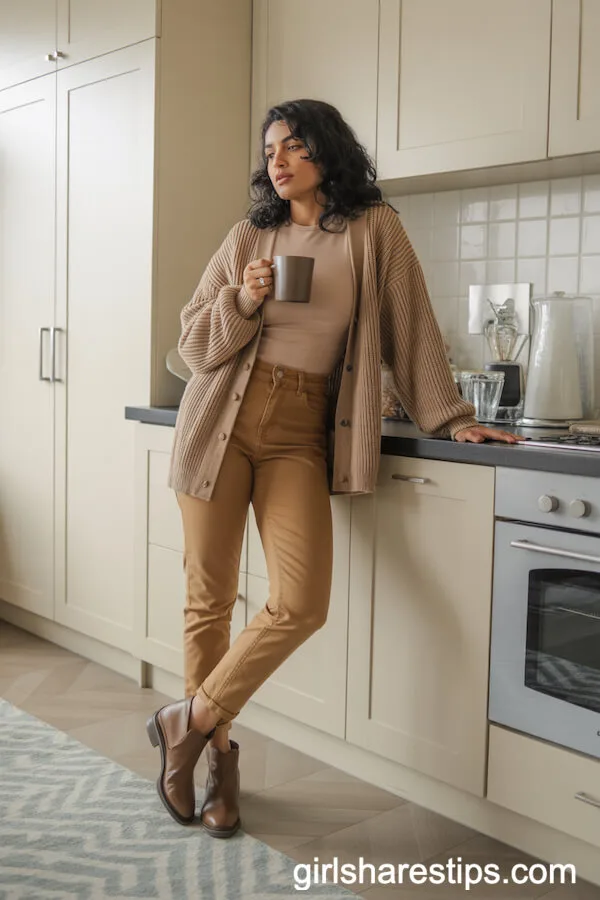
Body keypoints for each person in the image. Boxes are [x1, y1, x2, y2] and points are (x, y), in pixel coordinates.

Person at [146, 99, 521, 838]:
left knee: (301, 602)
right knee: (209, 603)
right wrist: (243, 300)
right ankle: (217, 763)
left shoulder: (375, 229)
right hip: (220, 419)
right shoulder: (252, 233)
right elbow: (193, 346)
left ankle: (183, 721)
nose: (278, 160)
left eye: (293, 145)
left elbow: (410, 326)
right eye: (270, 150)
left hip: (299, 432)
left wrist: (449, 416)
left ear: (328, 149)